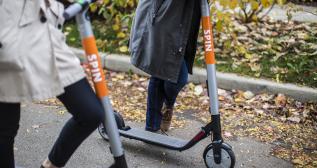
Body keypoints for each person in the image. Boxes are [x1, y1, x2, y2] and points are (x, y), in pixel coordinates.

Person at [0, 0, 104, 167]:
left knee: (91, 113)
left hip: (47, 35)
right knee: (5, 130)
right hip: (8, 34)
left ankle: (50, 165)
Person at [129, 0, 201, 132]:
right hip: (162, 13)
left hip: (185, 14)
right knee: (172, 75)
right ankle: (165, 108)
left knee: (163, 71)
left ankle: (153, 124)